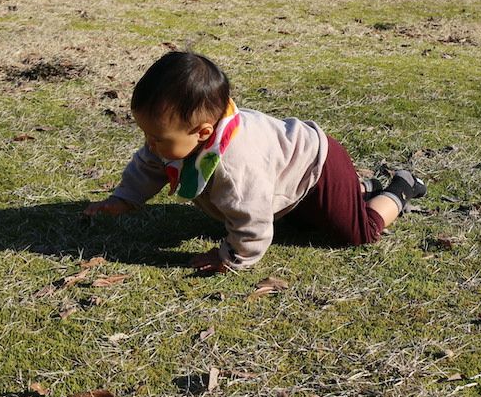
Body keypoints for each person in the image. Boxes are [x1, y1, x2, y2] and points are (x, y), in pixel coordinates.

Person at [82, 51, 426, 272]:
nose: (149, 145)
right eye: (147, 134)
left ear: (203, 133)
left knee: (357, 232)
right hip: (285, 174)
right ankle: (357, 190)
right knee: (302, 224)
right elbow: (148, 166)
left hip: (317, 166)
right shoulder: (174, 140)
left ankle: (401, 187)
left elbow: (253, 218)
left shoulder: (236, 164)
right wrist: (123, 199)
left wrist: (229, 258)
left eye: (157, 139)